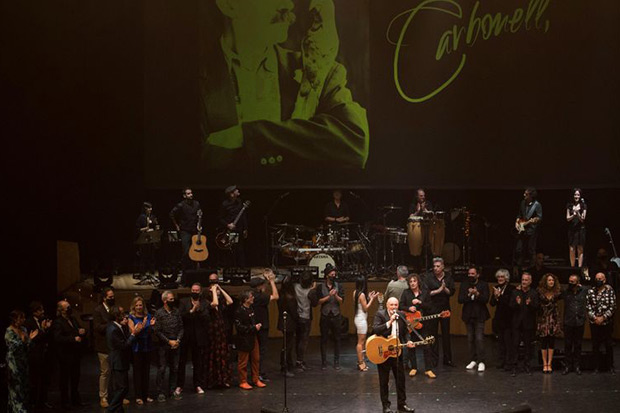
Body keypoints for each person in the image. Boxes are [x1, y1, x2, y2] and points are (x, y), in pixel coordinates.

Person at [200, 0, 369, 169]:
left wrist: (248, 135)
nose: (287, 4)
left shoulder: (320, 71)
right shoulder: (188, 80)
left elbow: (355, 144)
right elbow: (194, 159)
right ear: (229, 5)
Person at [372, 297, 416, 413]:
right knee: (384, 381)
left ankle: (402, 405)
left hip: (397, 352)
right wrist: (390, 322)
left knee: (401, 380)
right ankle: (386, 406)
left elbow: (406, 332)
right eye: (391, 305)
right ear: (387, 305)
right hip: (384, 353)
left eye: (396, 305)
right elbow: (376, 329)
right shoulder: (380, 315)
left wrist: (408, 340)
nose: (394, 307)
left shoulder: (401, 315)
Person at [106, 306, 144, 413]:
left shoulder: (117, 326)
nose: (125, 317)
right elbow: (124, 345)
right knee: (122, 388)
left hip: (121, 361)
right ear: (117, 316)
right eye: (122, 314)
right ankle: (111, 409)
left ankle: (118, 409)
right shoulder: (113, 329)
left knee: (122, 388)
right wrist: (134, 334)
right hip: (118, 361)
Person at [52, 300, 87, 409]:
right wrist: (72, 339)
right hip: (65, 355)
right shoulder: (58, 322)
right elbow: (57, 338)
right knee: (65, 379)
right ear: (61, 310)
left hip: (75, 354)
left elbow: (77, 330)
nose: (69, 309)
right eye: (67, 307)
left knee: (75, 377)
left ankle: (75, 399)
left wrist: (81, 331)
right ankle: (65, 401)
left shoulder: (73, 319)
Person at [398, 273, 435, 378]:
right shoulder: (406, 293)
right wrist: (409, 308)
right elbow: (401, 305)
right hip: (410, 324)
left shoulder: (425, 293)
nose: (412, 283)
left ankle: (428, 369)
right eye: (410, 282)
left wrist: (420, 302)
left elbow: (430, 307)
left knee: (426, 345)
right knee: (411, 346)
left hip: (423, 324)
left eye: (414, 281)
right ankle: (414, 367)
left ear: (418, 282)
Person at [177, 283, 209, 395]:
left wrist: (198, 310)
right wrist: (191, 311)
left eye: (196, 290)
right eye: (193, 290)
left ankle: (198, 385)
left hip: (198, 338)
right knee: (182, 362)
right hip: (185, 336)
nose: (194, 292)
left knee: (198, 363)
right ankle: (179, 385)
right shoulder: (183, 301)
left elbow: (206, 317)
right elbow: (180, 316)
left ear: (200, 292)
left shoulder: (204, 302)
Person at [423, 257, 455, 367]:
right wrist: (439, 290)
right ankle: (434, 360)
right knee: (433, 335)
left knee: (446, 334)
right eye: (434, 266)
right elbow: (426, 293)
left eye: (438, 266)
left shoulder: (448, 277)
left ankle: (448, 360)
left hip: (445, 308)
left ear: (443, 267)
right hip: (432, 309)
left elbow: (452, 292)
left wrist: (445, 289)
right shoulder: (428, 277)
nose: (436, 268)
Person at [153, 291, 184, 402]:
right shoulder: (159, 313)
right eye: (170, 299)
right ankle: (160, 392)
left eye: (173, 299)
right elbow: (157, 331)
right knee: (162, 368)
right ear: (165, 300)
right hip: (163, 345)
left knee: (175, 368)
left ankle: (172, 390)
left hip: (176, 344)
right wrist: (168, 341)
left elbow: (181, 327)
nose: (173, 301)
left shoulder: (176, 312)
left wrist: (178, 340)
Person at [458, 266, 490, 373]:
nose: (470, 275)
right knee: (470, 339)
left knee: (479, 339)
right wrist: (469, 295)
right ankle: (473, 360)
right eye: (469, 274)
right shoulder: (464, 284)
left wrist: (477, 294)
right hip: (468, 315)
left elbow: (486, 299)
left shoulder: (483, 284)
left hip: (480, 315)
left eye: (472, 274)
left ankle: (481, 361)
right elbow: (460, 299)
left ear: (478, 275)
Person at [204, 272, 233, 388]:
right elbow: (214, 303)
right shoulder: (207, 300)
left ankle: (223, 379)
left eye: (215, 281)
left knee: (223, 355)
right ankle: (212, 380)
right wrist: (213, 291)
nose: (214, 284)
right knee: (212, 355)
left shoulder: (221, 300)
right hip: (212, 331)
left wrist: (220, 288)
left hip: (221, 330)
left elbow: (230, 301)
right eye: (212, 281)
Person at [249, 269, 279, 381]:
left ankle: (255, 373)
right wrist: (272, 281)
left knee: (253, 350)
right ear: (259, 287)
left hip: (253, 325)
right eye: (263, 285)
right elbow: (275, 296)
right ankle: (260, 373)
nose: (265, 286)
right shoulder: (260, 297)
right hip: (261, 326)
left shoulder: (251, 294)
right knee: (261, 350)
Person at [5, 310, 38, 413]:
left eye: (24, 317)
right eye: (21, 318)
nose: (23, 320)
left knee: (24, 387)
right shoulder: (9, 331)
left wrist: (30, 340)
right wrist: (24, 340)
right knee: (16, 387)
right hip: (13, 363)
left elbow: (28, 347)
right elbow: (13, 347)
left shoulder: (23, 329)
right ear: (15, 319)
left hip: (23, 361)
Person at [235, 290, 267, 390]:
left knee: (256, 359)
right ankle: (243, 381)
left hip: (253, 338)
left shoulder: (251, 309)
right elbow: (239, 327)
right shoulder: (239, 311)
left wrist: (256, 326)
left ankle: (255, 379)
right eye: (251, 297)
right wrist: (253, 328)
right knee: (243, 362)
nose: (253, 298)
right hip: (244, 339)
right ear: (246, 299)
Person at [508, 273, 539, 376]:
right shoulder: (515, 292)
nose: (524, 282)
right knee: (515, 345)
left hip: (528, 323)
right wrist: (517, 303)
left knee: (527, 346)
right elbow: (511, 306)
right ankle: (514, 366)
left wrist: (529, 305)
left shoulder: (534, 293)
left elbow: (536, 308)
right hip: (517, 323)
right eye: (522, 280)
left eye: (526, 280)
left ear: (530, 281)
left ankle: (527, 365)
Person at [23, 301, 53, 409]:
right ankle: (33, 403)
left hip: (44, 355)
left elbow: (46, 337)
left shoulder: (42, 321)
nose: (43, 312)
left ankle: (42, 401)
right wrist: (43, 330)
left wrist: (47, 329)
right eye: (40, 310)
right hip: (35, 356)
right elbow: (33, 339)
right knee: (34, 381)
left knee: (45, 380)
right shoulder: (28, 323)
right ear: (34, 311)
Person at [127, 296, 156, 405]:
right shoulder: (131, 317)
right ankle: (138, 396)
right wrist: (143, 325)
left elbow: (151, 331)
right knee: (138, 372)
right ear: (134, 306)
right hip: (137, 347)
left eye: (140, 305)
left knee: (146, 372)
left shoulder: (148, 316)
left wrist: (152, 326)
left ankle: (146, 394)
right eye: (137, 305)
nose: (139, 307)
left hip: (147, 346)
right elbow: (133, 332)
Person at [587, 272, 617, 374]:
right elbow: (588, 306)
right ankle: (596, 367)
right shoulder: (591, 291)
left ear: (604, 280)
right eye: (596, 279)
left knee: (608, 345)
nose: (598, 281)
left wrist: (603, 317)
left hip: (606, 322)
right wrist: (595, 317)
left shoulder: (610, 290)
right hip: (594, 322)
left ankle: (610, 366)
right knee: (595, 345)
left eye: (600, 279)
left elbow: (613, 306)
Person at [316, 263, 345, 370]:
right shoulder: (320, 287)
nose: (333, 276)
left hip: (336, 315)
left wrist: (336, 295)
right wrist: (329, 296)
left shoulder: (339, 286)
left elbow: (342, 301)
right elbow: (318, 301)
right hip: (325, 315)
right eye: (331, 274)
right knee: (324, 339)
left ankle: (336, 361)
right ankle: (324, 362)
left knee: (337, 339)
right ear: (327, 275)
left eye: (334, 274)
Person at [92, 287, 115, 408]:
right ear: (104, 298)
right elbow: (97, 327)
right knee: (105, 372)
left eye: (113, 296)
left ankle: (117, 395)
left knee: (116, 371)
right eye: (110, 297)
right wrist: (111, 324)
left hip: (114, 346)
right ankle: (103, 396)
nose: (112, 299)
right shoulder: (98, 310)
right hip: (103, 346)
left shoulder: (114, 308)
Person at [169, 187, 201, 271]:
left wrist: (199, 224)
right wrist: (176, 225)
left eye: (191, 193)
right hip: (185, 230)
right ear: (184, 196)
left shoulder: (196, 204)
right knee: (186, 252)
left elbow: (199, 215)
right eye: (188, 193)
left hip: (194, 230)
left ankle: (194, 271)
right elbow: (171, 214)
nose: (191, 195)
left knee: (196, 251)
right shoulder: (181, 205)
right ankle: (185, 271)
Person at [536, 273, 563, 373]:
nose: (551, 282)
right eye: (549, 280)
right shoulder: (539, 292)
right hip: (543, 319)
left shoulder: (558, 292)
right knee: (543, 342)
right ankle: (544, 363)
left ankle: (549, 363)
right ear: (545, 282)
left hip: (553, 319)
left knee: (551, 342)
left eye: (552, 280)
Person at [562, 274, 587, 375]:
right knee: (567, 345)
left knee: (578, 345)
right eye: (569, 281)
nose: (570, 283)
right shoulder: (565, 292)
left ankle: (577, 366)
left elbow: (593, 289)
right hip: (568, 322)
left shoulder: (584, 291)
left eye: (573, 281)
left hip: (579, 322)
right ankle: (567, 366)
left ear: (578, 282)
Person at [490, 269, 514, 371]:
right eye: (498, 277)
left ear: (506, 278)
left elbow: (510, 304)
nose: (500, 279)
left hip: (508, 319)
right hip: (499, 319)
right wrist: (495, 297)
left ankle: (509, 363)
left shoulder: (511, 289)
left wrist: (500, 296)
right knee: (500, 343)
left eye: (502, 277)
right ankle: (501, 361)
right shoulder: (496, 288)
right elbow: (492, 303)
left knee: (508, 342)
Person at [218, 186, 249, 266]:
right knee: (231, 250)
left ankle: (241, 269)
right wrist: (228, 225)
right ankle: (231, 269)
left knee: (240, 250)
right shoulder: (225, 204)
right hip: (230, 231)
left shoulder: (239, 201)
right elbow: (220, 218)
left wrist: (245, 228)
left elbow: (243, 216)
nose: (238, 190)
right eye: (235, 190)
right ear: (231, 194)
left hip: (239, 229)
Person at [353, 276, 378, 372]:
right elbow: (366, 308)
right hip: (361, 321)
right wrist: (372, 299)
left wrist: (368, 297)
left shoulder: (355, 292)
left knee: (361, 341)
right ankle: (360, 363)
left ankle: (362, 361)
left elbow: (360, 304)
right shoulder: (361, 295)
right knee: (361, 342)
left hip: (358, 318)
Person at [513, 187, 542, 268]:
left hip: (531, 230)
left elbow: (539, 217)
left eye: (526, 194)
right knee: (519, 249)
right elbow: (519, 214)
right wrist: (517, 222)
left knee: (530, 250)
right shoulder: (522, 203)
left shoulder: (537, 205)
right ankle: (518, 267)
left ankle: (531, 267)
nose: (524, 195)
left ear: (531, 196)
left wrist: (531, 221)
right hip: (522, 229)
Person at [293, 270, 316, 371]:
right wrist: (314, 288)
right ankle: (299, 361)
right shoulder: (310, 291)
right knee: (303, 340)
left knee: (298, 339)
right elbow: (315, 303)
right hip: (306, 317)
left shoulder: (295, 287)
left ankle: (299, 360)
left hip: (297, 316)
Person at [278, 275, 298, 377]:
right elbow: (294, 312)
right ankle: (285, 366)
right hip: (290, 323)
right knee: (288, 346)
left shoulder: (281, 294)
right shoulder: (290, 297)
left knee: (286, 345)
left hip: (283, 321)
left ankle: (285, 365)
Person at [135, 201, 160, 277]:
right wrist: (145, 228)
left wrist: (157, 228)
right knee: (143, 257)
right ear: (145, 209)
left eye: (151, 208)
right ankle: (142, 273)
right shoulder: (141, 217)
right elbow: (137, 229)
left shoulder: (152, 217)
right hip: (144, 240)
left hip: (151, 239)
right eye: (149, 208)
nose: (150, 209)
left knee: (152, 257)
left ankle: (152, 273)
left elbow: (156, 225)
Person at [566, 188, 587, 267]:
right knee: (572, 248)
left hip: (580, 229)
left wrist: (577, 213)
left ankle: (579, 267)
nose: (576, 196)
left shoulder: (583, 205)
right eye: (575, 194)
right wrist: (573, 215)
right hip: (572, 228)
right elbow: (567, 218)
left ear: (580, 196)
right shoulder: (569, 205)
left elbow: (583, 219)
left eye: (578, 195)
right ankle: (572, 266)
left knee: (580, 248)